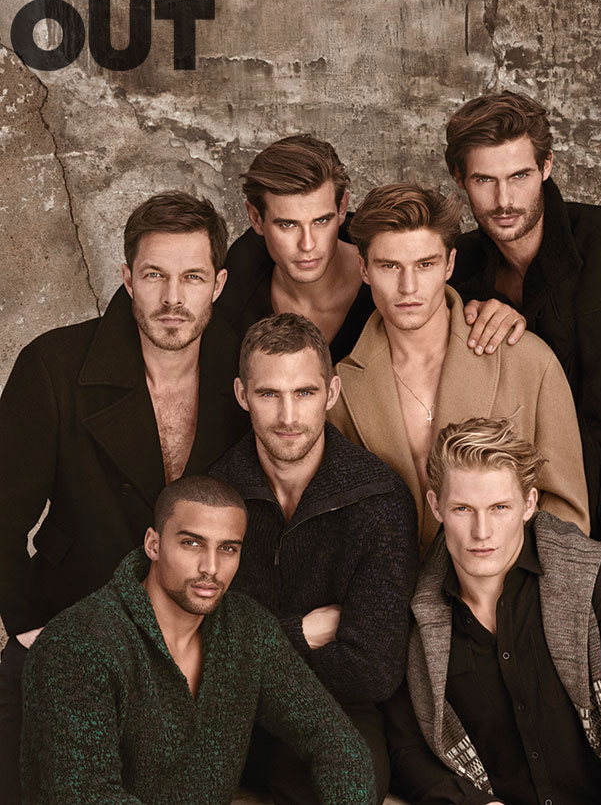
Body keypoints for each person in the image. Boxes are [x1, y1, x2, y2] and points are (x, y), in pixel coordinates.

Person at [0, 191, 250, 803]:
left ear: (218, 284)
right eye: (154, 275)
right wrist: (27, 627)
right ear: (127, 278)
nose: (172, 298)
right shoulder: (54, 365)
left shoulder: (246, 373)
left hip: (196, 653)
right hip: (68, 620)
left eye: (192, 277)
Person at [21, 475, 375, 805]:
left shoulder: (248, 629)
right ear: (153, 544)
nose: (211, 567)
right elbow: (85, 795)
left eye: (228, 548)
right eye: (192, 543)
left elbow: (333, 739)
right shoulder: (78, 644)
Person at [445, 90, 601, 617]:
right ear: (459, 179)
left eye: (519, 175)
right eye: (484, 180)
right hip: (526, 536)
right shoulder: (455, 271)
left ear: (546, 167)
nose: (504, 199)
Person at [385, 417, 601, 804]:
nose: (482, 531)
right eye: (462, 508)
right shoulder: (413, 618)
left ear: (529, 504)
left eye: (499, 507)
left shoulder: (596, 578)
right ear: (436, 506)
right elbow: (406, 748)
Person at [210, 312, 418, 805]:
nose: (288, 416)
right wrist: (305, 631)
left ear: (332, 392)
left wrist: (251, 654)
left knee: (348, 783)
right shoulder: (214, 494)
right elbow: (200, 648)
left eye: (304, 392)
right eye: (269, 394)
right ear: (242, 395)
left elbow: (374, 669)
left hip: (339, 708)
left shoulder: (380, 499)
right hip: (228, 712)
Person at [328, 182, 589, 559]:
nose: (408, 287)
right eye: (389, 266)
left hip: (510, 587)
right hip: (393, 589)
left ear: (449, 264)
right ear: (363, 268)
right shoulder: (339, 389)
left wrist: (504, 586)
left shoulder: (529, 360)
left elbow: (567, 512)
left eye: (425, 264)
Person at [217, 133, 527, 363]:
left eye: (322, 221)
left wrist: (497, 312)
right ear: (255, 218)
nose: (307, 244)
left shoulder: (406, 265)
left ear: (342, 207)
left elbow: (465, 308)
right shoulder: (229, 303)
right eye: (288, 225)